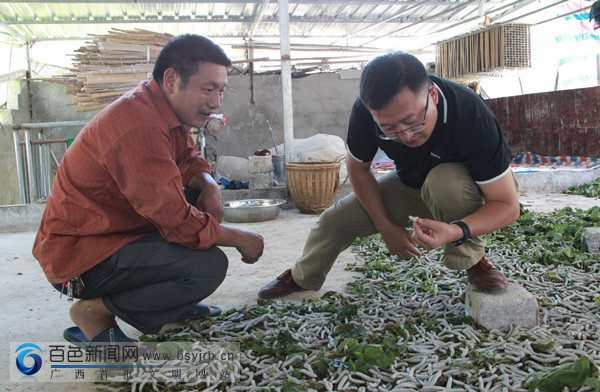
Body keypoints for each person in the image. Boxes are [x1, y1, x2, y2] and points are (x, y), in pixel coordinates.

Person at [32, 34, 264, 345]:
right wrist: (241, 238)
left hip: (114, 233)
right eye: (208, 89)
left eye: (221, 90)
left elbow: (186, 157)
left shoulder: (160, 107)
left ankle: (166, 309)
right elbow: (179, 224)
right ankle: (94, 313)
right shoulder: (140, 126)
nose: (216, 102)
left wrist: (209, 184)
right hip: (78, 262)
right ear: (171, 79)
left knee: (198, 203)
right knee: (206, 266)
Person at [260, 52, 520, 299]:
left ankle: (473, 261)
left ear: (432, 95)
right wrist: (385, 226)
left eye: (413, 122)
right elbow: (358, 169)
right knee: (333, 220)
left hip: (466, 190)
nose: (405, 135)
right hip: (411, 184)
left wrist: (454, 231)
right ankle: (302, 277)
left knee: (444, 183)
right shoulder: (364, 112)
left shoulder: (471, 114)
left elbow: (507, 205)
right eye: (389, 128)